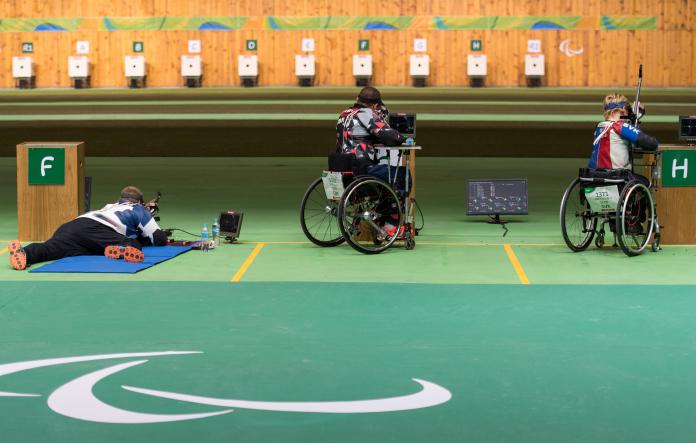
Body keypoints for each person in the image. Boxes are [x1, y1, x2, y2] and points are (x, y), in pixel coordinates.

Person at [8, 186, 168, 270]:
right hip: (97, 230)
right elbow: (159, 239)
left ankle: (26, 253)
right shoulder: (138, 209)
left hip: (72, 226)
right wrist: (148, 213)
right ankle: (120, 249)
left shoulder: (110, 206)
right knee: (133, 245)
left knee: (50, 248)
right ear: (139, 202)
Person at [336, 86, 407, 184]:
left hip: (340, 167)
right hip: (360, 169)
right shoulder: (367, 114)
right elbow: (393, 137)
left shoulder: (343, 114)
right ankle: (393, 199)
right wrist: (403, 139)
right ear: (375, 106)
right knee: (402, 173)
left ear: (357, 98)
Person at [588, 93, 659, 185]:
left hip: (593, 177)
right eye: (628, 110)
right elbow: (650, 143)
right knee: (646, 182)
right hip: (618, 178)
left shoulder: (599, 127)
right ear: (623, 110)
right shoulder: (620, 127)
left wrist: (631, 120)